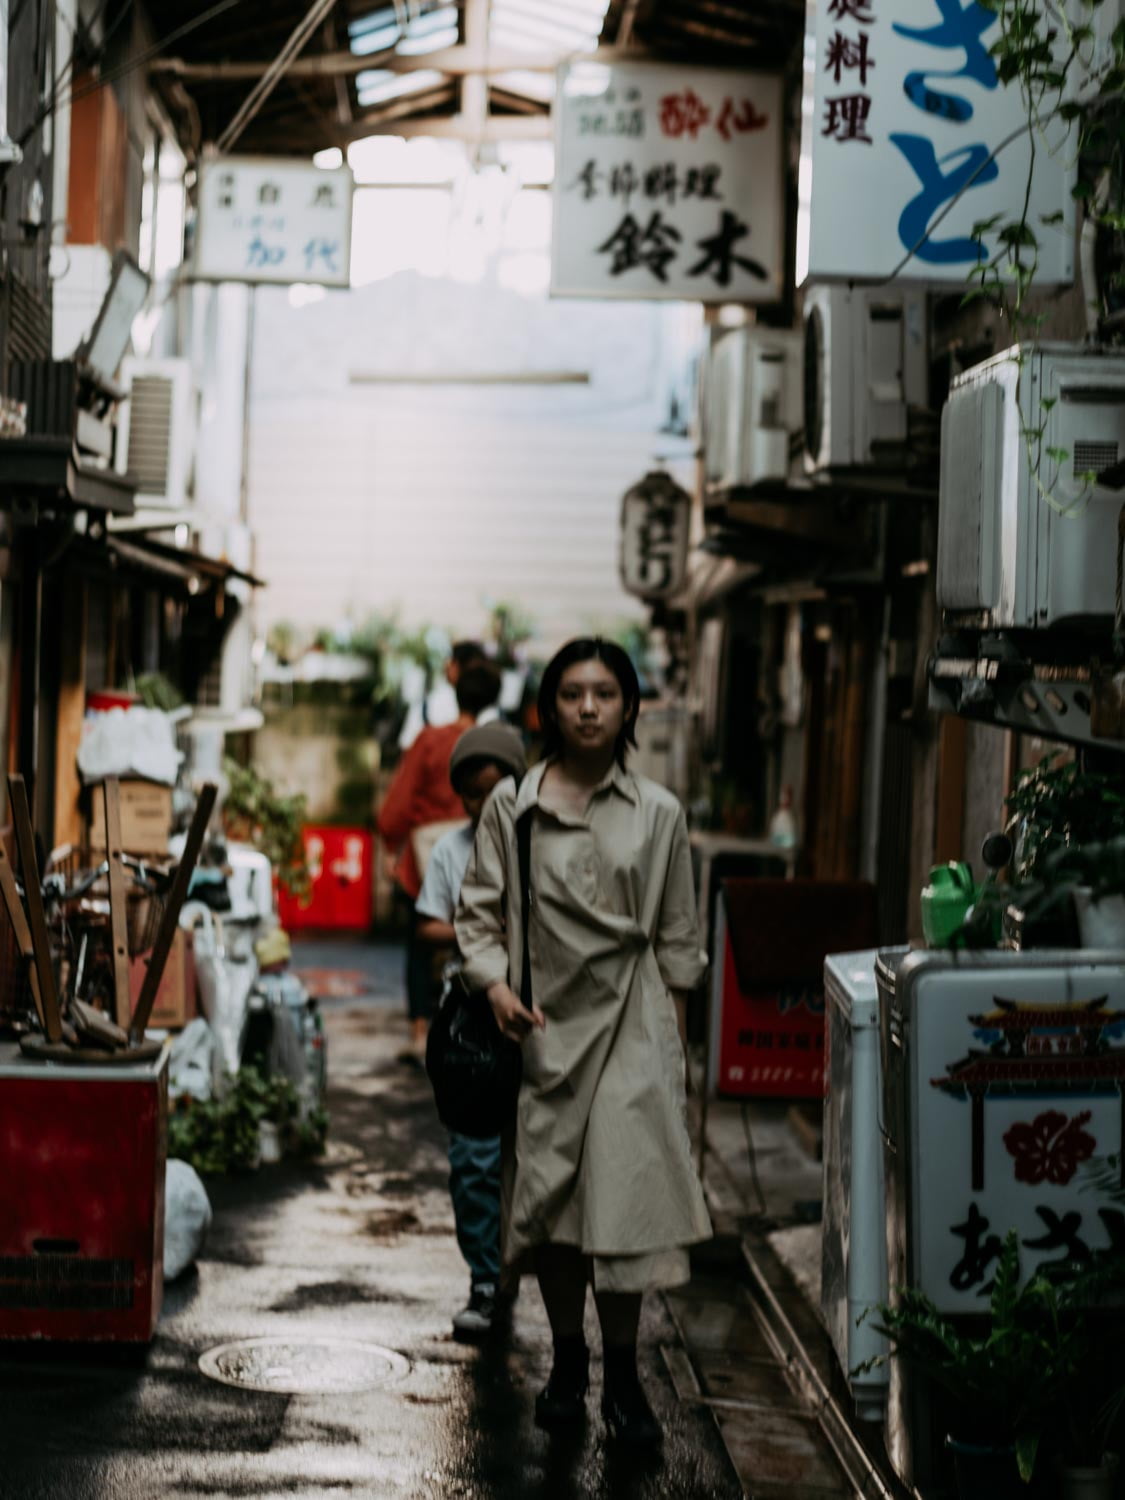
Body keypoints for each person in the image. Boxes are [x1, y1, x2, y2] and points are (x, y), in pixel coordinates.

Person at [455, 638, 711, 1449]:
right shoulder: (514, 807)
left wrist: (681, 1063)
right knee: (557, 1212)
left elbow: (677, 943)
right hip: (542, 1031)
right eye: (571, 693)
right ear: (548, 707)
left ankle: (626, 1379)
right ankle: (569, 1366)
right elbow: (480, 914)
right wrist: (493, 987)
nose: (589, 708)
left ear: (630, 706)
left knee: (624, 1203)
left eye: (605, 692)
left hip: (633, 1030)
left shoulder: (660, 813)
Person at [414, 721, 527, 1341]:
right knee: (475, 1156)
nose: (483, 805)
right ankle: (485, 1281)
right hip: (471, 1022)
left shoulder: (543, 842)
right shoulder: (451, 851)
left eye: (494, 789)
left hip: (536, 1016)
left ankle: (520, 1279)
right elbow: (427, 926)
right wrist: (484, 939)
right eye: (471, 794)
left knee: (528, 1157)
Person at [378, 659, 502, 1061]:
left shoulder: (431, 740)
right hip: (490, 854)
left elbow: (399, 802)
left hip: (429, 852)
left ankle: (418, 1031)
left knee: (421, 940)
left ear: (455, 689)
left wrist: (390, 842)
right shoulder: (501, 743)